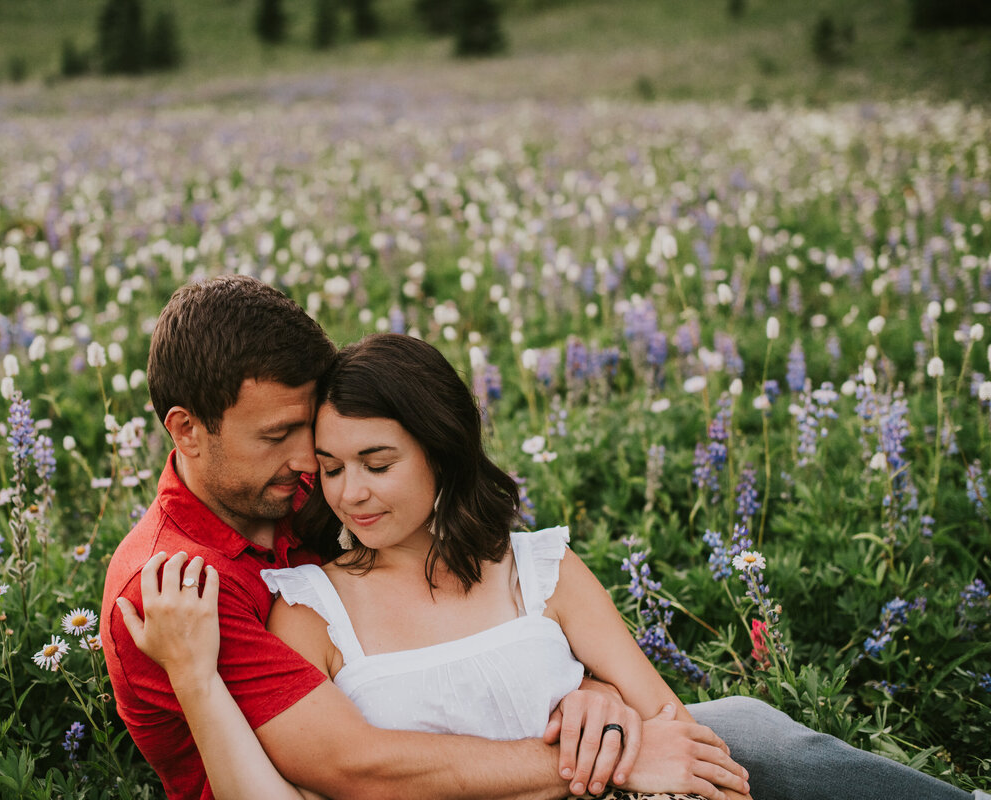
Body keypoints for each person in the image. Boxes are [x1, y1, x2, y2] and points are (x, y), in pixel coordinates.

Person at [104, 276, 983, 800]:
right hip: (401, 785)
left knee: (750, 726)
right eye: (283, 441)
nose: (318, 471)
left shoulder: (299, 494)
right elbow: (353, 768)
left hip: (520, 751)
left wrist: (595, 692)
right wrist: (608, 762)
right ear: (186, 430)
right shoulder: (177, 587)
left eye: (326, 445)